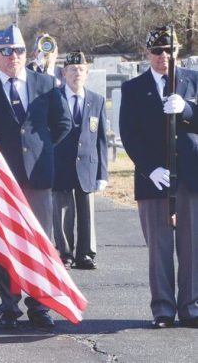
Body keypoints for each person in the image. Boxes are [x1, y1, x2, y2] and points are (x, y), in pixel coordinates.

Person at [0, 25, 71, 329]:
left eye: (19, 50)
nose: (13, 56)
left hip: (37, 177)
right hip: (1, 181)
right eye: (6, 51)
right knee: (5, 244)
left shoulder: (46, 84)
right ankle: (9, 307)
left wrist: (41, 150)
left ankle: (39, 306)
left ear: (27, 53)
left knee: (40, 242)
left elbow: (63, 123)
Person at [120, 26, 198, 329]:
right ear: (147, 53)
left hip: (190, 174)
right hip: (155, 178)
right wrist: (150, 168)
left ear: (177, 51)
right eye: (157, 51)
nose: (163, 56)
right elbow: (130, 134)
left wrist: (187, 108)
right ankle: (163, 309)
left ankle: (191, 307)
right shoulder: (134, 88)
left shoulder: (192, 79)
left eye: (169, 50)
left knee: (192, 246)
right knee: (160, 247)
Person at [52, 51, 108, 270]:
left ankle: (86, 254)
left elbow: (101, 138)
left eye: (81, 69)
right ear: (64, 73)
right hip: (60, 163)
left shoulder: (96, 100)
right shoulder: (53, 98)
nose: (77, 73)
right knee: (62, 211)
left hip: (87, 164)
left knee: (87, 212)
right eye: (72, 69)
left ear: (87, 73)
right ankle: (64, 254)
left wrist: (102, 173)